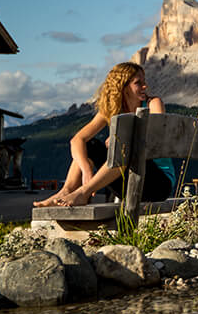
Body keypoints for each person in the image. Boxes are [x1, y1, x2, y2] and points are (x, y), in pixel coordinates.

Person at [32, 62, 174, 207]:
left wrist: (121, 137)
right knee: (89, 145)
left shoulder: (153, 103)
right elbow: (77, 140)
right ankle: (66, 191)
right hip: (126, 183)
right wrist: (87, 169)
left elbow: (155, 136)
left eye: (144, 82)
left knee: (123, 148)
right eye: (139, 83)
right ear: (123, 87)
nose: (145, 87)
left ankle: (83, 193)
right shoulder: (112, 109)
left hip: (157, 184)